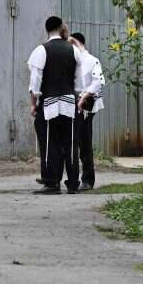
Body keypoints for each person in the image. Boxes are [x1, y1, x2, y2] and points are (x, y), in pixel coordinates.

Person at [28, 16, 84, 194]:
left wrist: (33, 104)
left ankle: (52, 182)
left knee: (49, 142)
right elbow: (79, 82)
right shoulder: (74, 51)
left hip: (49, 104)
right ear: (61, 28)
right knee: (70, 143)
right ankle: (73, 183)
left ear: (46, 30)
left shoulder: (41, 50)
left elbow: (35, 82)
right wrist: (77, 98)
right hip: (69, 103)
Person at [69, 32, 105, 191]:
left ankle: (88, 179)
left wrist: (84, 97)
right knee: (75, 142)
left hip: (87, 105)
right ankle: (77, 178)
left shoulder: (91, 60)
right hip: (74, 103)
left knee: (84, 142)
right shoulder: (74, 60)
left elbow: (99, 82)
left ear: (77, 43)